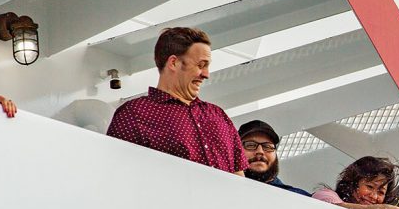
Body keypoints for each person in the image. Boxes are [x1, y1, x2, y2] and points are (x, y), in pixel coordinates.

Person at [107, 27, 246, 175]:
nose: (206, 74)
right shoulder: (133, 113)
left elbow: (240, 177)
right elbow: (116, 172)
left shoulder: (218, 114)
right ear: (174, 63)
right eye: (201, 65)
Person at [312, 156, 399, 209]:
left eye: (381, 192)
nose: (374, 196)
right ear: (352, 183)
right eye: (370, 187)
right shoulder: (325, 195)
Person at [237, 120, 309, 195]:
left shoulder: (302, 198)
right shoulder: (225, 187)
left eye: (267, 146)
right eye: (250, 145)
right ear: (235, 151)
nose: (260, 151)